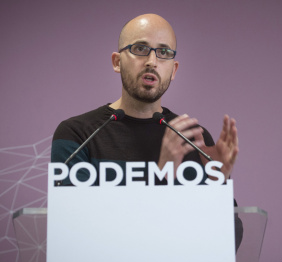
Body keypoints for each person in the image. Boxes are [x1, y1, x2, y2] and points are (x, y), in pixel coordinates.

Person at [51, 13, 238, 185]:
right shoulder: (77, 135)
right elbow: (74, 218)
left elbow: (226, 221)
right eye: (140, 48)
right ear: (117, 62)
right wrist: (163, 172)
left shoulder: (193, 140)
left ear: (173, 70)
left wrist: (218, 183)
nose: (152, 61)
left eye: (164, 53)